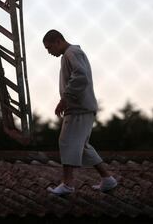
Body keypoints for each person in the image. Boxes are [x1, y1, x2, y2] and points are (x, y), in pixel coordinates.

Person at [43, 29, 117, 196]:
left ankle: (67, 184)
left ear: (58, 42)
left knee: (67, 141)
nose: (49, 52)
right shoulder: (70, 54)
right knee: (81, 146)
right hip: (81, 107)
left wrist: (65, 99)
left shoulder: (71, 52)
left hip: (79, 108)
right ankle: (107, 179)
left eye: (49, 48)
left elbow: (81, 76)